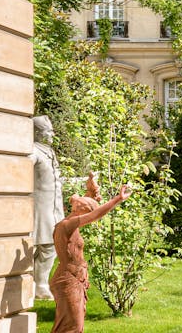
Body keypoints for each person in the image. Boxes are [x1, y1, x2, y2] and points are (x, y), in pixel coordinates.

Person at [50, 173, 131, 333]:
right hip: (68, 279)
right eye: (87, 210)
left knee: (74, 324)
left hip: (75, 277)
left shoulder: (71, 223)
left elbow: (90, 203)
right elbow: (95, 214)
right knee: (70, 326)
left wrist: (92, 186)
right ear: (81, 210)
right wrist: (117, 199)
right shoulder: (66, 225)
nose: (88, 217)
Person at [31, 115, 64, 299]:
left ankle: (38, 283)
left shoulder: (48, 151)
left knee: (50, 245)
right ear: (37, 133)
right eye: (48, 131)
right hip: (40, 207)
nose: (52, 134)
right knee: (42, 245)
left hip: (53, 207)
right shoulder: (33, 151)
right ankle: (39, 284)